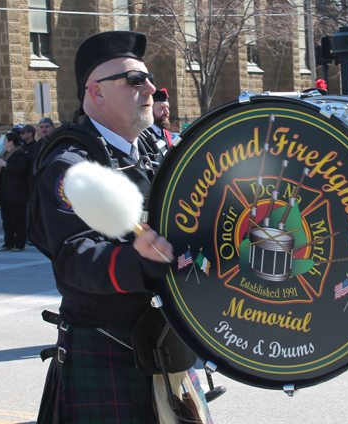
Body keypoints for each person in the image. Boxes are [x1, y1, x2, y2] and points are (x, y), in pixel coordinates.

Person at [29, 31, 212, 424]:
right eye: (133, 80)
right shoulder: (71, 165)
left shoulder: (150, 150)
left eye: (148, 78)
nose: (150, 88)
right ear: (96, 92)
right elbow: (74, 258)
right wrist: (138, 262)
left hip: (164, 341)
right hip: (108, 341)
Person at [0, 132, 29, 252]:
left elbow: (20, 169)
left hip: (16, 194)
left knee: (18, 220)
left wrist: (4, 164)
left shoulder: (20, 155)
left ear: (11, 142)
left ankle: (19, 244)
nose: (3, 143)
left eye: (4, 141)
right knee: (6, 219)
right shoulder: (4, 154)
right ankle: (8, 242)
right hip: (5, 194)